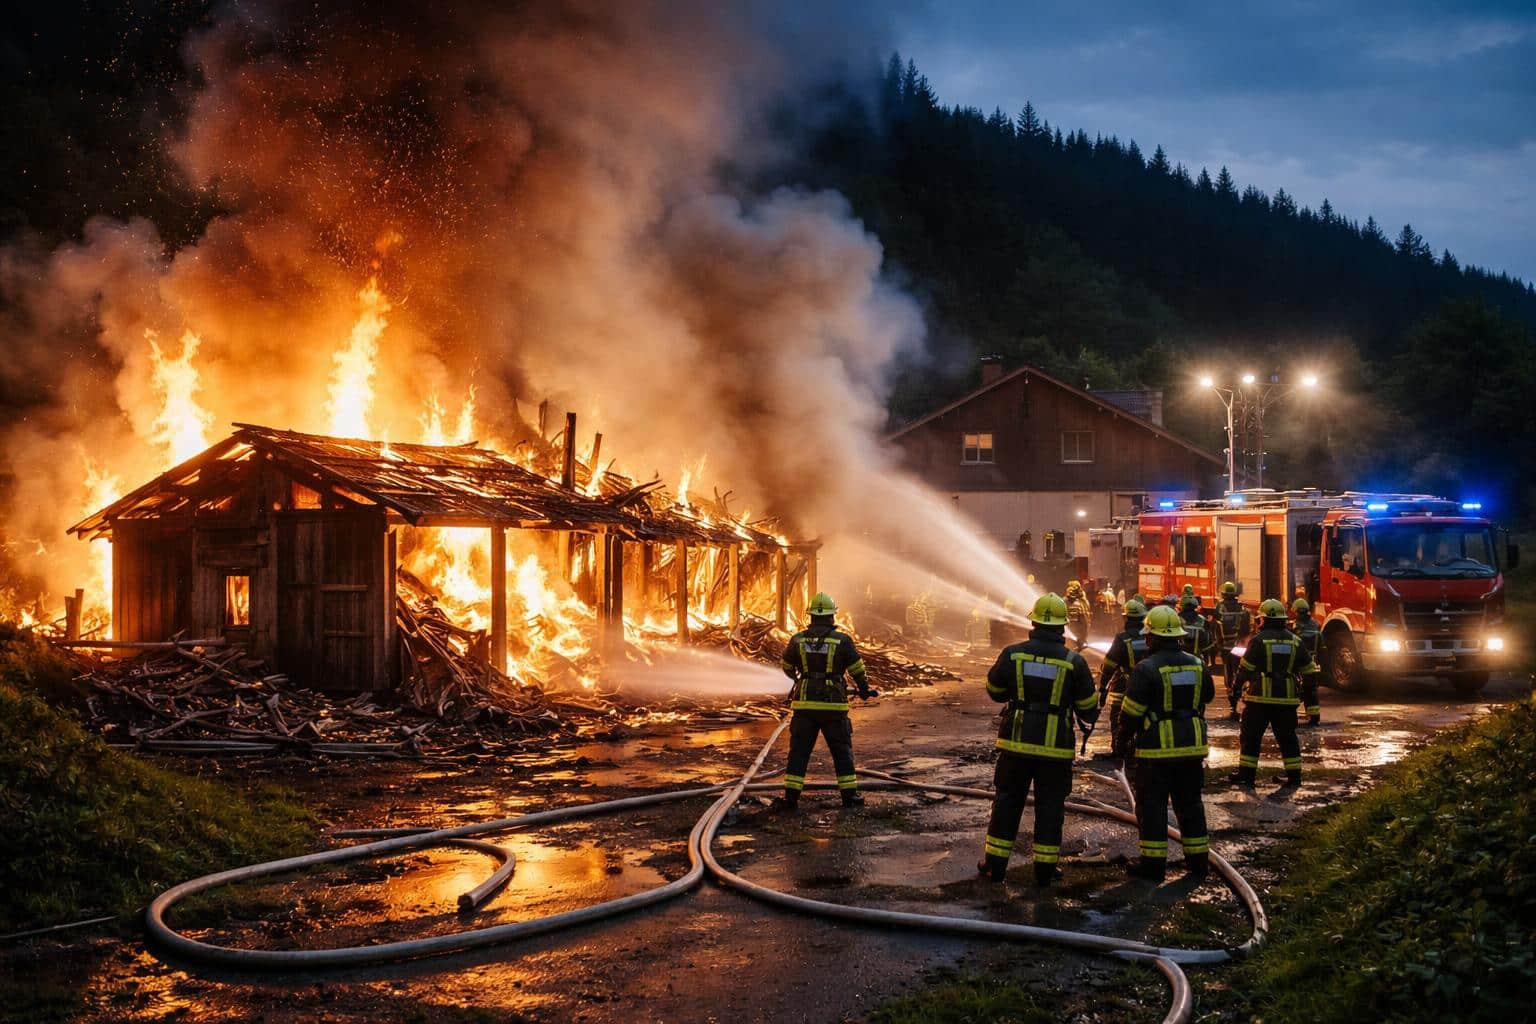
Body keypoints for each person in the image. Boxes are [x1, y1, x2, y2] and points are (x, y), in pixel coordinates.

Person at [979, 593, 1098, 887]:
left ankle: (995, 866)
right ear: (1062, 627)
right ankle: (1044, 871)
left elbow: (994, 689)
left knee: (1007, 803)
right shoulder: (1074, 662)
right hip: (1055, 749)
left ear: (1032, 622)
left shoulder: (1013, 654)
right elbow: (1088, 709)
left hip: (1015, 744)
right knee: (1050, 807)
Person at [1113, 604, 1215, 882]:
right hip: (1192, 749)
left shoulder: (1145, 669)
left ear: (1152, 638)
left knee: (1152, 807)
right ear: (1179, 636)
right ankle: (1198, 864)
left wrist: (1121, 742)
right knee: (1191, 805)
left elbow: (1131, 713)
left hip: (1156, 751)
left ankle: (1153, 865)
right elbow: (1207, 695)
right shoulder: (1197, 664)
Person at [780, 592, 874, 810]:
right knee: (842, 752)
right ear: (832, 616)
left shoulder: (798, 640)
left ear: (811, 616)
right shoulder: (842, 641)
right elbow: (857, 669)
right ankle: (849, 798)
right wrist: (864, 690)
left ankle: (791, 800)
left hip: (804, 706)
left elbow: (786, 665)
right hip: (834, 707)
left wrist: (799, 679)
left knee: (798, 754)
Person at [1228, 599, 1318, 790]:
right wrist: (1305, 693)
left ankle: (1247, 776)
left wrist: (1235, 691)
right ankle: (1294, 777)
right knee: (1288, 738)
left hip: (1259, 699)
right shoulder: (1295, 641)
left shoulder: (1259, 641)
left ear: (1265, 619)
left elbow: (1244, 670)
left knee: (1251, 737)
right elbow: (1309, 670)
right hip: (1286, 699)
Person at [1097, 599, 1150, 739]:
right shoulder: (1150, 637)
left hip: (1122, 687)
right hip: (1146, 687)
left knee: (1118, 719)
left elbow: (1109, 665)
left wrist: (1103, 687)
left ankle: (1118, 747)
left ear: (1126, 617)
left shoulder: (1122, 638)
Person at [1214, 581, 1252, 719]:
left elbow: (1216, 627)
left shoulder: (1220, 607)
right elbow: (1248, 627)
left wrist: (1217, 644)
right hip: (1240, 646)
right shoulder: (1242, 608)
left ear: (1223, 594)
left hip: (1226, 647)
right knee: (1241, 671)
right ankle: (1242, 694)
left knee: (1229, 674)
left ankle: (1233, 701)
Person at [1291, 599, 1323, 725]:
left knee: (1296, 690)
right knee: (1311, 691)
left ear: (1297, 611)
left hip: (1300, 664)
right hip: (1313, 664)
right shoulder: (1316, 625)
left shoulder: (1295, 627)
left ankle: (1289, 715)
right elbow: (1322, 646)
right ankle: (1314, 717)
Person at [1179, 593, 1221, 670]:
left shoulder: (1176, 618)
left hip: (1178, 656)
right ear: (1195, 606)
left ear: (1181, 606)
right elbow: (1207, 640)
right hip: (1196, 655)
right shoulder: (1201, 619)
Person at [1064, 580, 1092, 649]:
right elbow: (1086, 623)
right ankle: (1082, 641)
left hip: (1075, 618)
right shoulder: (1084, 600)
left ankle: (1081, 641)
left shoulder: (1072, 600)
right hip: (1080, 619)